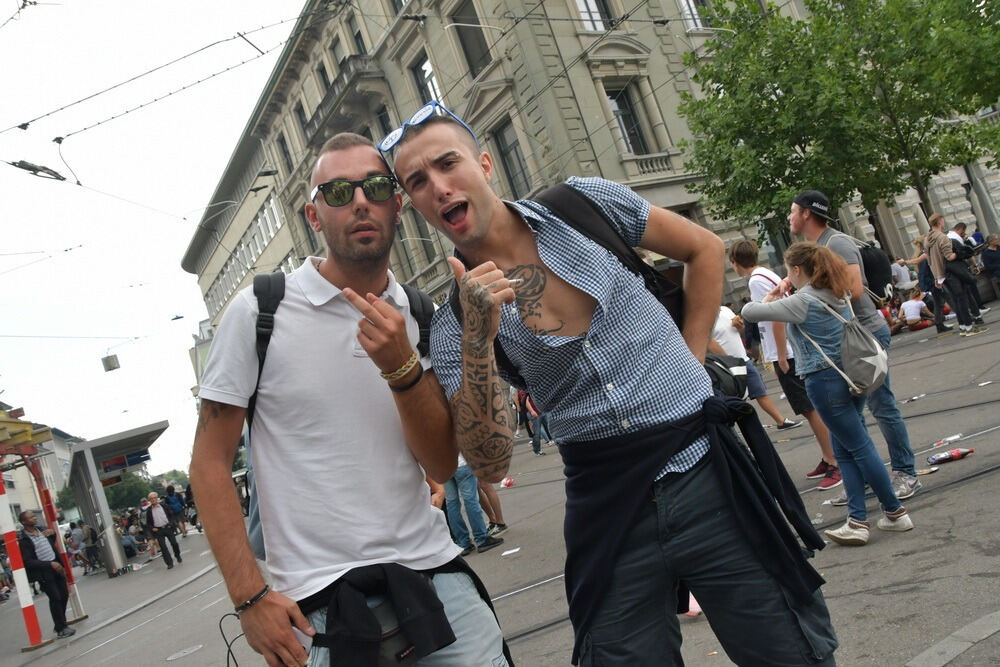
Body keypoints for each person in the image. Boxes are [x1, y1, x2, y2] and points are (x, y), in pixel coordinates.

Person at [387, 103, 836, 665]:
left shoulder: (583, 205)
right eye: (417, 181)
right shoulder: (454, 320)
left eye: (447, 163)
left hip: (706, 473)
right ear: (414, 205)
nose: (437, 186)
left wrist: (690, 356)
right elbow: (489, 463)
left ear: (483, 164)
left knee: (790, 651)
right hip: (607, 509)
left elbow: (704, 247)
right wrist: (479, 340)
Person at [190, 132, 509, 667]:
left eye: (375, 187)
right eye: (338, 192)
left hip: (433, 576)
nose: (360, 202)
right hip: (317, 604)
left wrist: (402, 369)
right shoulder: (260, 312)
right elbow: (208, 462)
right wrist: (249, 598)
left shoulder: (420, 313)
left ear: (397, 206)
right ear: (314, 216)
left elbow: (439, 463)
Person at [741, 243, 915, 546]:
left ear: (797, 270)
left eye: (788, 270)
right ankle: (857, 521)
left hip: (824, 380)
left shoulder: (802, 301)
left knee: (858, 446)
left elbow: (749, 312)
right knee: (844, 449)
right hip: (852, 374)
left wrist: (772, 295)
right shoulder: (837, 290)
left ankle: (895, 511)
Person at [788, 190, 923, 503]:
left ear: (807, 213)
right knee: (847, 415)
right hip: (845, 342)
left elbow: (855, 289)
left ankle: (906, 473)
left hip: (865, 336)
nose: (789, 217)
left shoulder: (836, 243)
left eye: (792, 211)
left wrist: (809, 292)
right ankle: (861, 480)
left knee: (881, 405)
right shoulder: (812, 248)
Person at [728, 240, 841, 490]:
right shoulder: (765, 273)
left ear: (735, 263)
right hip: (787, 348)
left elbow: (775, 314)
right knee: (810, 407)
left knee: (809, 409)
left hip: (785, 351)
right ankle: (828, 456)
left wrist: (780, 353)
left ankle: (834, 460)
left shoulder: (756, 281)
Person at [710, 304, 801, 431]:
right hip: (725, 366)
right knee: (735, 400)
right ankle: (735, 432)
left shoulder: (725, 310)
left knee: (759, 391)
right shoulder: (705, 317)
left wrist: (740, 326)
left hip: (744, 360)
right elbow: (709, 342)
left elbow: (740, 331)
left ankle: (781, 421)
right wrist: (727, 361)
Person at [927, 213, 987, 337]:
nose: (944, 222)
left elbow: (930, 260)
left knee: (956, 299)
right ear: (940, 222)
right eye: (943, 220)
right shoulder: (942, 237)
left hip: (941, 274)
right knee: (962, 299)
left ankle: (963, 327)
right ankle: (969, 327)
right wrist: (962, 252)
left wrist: (937, 277)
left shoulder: (927, 239)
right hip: (953, 272)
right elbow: (949, 256)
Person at [17, 511, 75, 638]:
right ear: (24, 522)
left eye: (34, 516)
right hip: (44, 572)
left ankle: (60, 623)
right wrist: (50, 564)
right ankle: (61, 628)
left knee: (64, 595)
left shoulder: (42, 530)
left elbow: (50, 543)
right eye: (31, 517)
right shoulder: (23, 540)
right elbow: (28, 562)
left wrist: (52, 534)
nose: (34, 518)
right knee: (55, 598)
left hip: (57, 567)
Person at [444, 454, 504, 556]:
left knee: (452, 504)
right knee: (471, 501)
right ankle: (481, 538)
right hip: (461, 463)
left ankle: (463, 543)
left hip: (444, 467)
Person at [145, 491, 182, 569]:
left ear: (157, 498)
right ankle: (169, 563)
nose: (153, 500)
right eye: (151, 499)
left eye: (154, 498)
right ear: (149, 500)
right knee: (163, 547)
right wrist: (152, 528)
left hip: (167, 527)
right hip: (158, 531)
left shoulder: (164, 506)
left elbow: (171, 515)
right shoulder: (149, 510)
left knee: (174, 543)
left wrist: (171, 524)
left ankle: (177, 555)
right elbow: (148, 523)